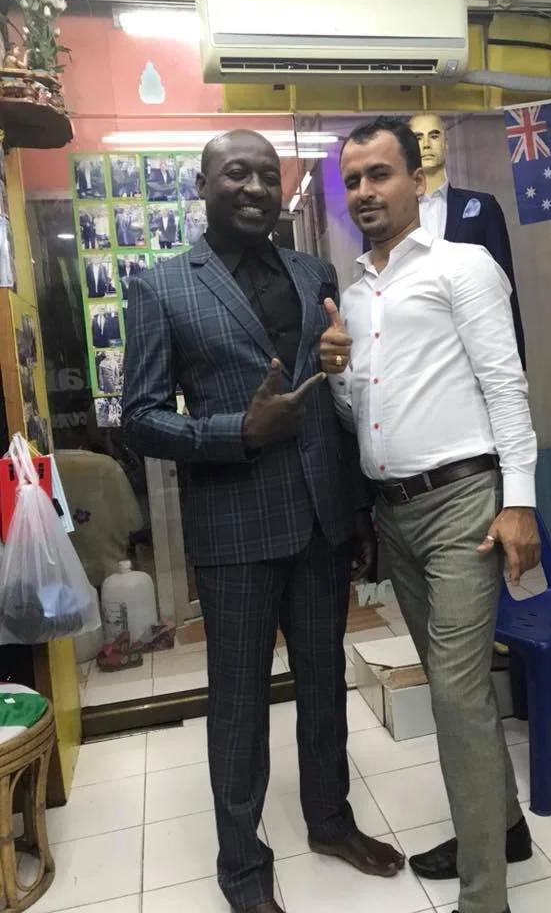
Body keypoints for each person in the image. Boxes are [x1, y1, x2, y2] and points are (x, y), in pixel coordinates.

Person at [121, 129, 404, 913]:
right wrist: (232, 433)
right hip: (234, 529)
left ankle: (329, 820)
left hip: (319, 522)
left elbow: (333, 401)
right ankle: (243, 869)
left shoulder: (314, 272)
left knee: (323, 688)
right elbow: (137, 417)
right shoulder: (164, 286)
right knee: (239, 705)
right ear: (204, 184)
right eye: (234, 173)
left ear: (282, 190)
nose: (252, 186)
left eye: (266, 175)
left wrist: (356, 510)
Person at [320, 116, 540, 913]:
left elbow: (506, 386)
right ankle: (504, 826)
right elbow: (360, 417)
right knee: (463, 690)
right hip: (398, 516)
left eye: (380, 174)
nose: (366, 192)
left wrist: (520, 502)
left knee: (453, 694)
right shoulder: (354, 290)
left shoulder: (463, 266)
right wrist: (337, 372)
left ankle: (487, 898)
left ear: (417, 178)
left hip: (464, 507)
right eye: (353, 181)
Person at [409, 112, 526, 369]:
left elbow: (504, 286)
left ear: (446, 145)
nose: (427, 144)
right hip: (416, 353)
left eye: (434, 135)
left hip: (475, 348)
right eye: (418, 137)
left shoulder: (483, 207)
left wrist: (516, 363)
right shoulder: (393, 216)